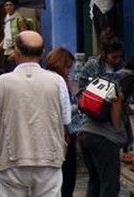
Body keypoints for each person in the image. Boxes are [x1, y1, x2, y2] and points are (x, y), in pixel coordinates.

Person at [0, 31, 71, 196]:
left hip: (12, 158)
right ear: (43, 53)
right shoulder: (57, 81)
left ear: (16, 51)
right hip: (48, 157)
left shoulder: (2, 82)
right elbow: (66, 119)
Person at [78, 56, 134, 196]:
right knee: (110, 184)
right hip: (104, 139)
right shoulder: (129, 80)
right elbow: (117, 100)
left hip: (85, 133)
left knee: (95, 180)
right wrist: (118, 129)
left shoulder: (108, 75)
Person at [46, 47, 81, 197]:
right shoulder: (58, 82)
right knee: (66, 181)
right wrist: (77, 107)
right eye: (68, 67)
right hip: (62, 138)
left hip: (54, 138)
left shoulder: (52, 80)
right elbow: (64, 112)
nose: (69, 71)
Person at [0, 0, 29, 71]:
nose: (8, 7)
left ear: (15, 6)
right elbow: (6, 37)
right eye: (6, 5)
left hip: (17, 53)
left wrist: (16, 51)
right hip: (7, 52)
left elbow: (24, 36)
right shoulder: (7, 20)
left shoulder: (19, 18)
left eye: (11, 5)